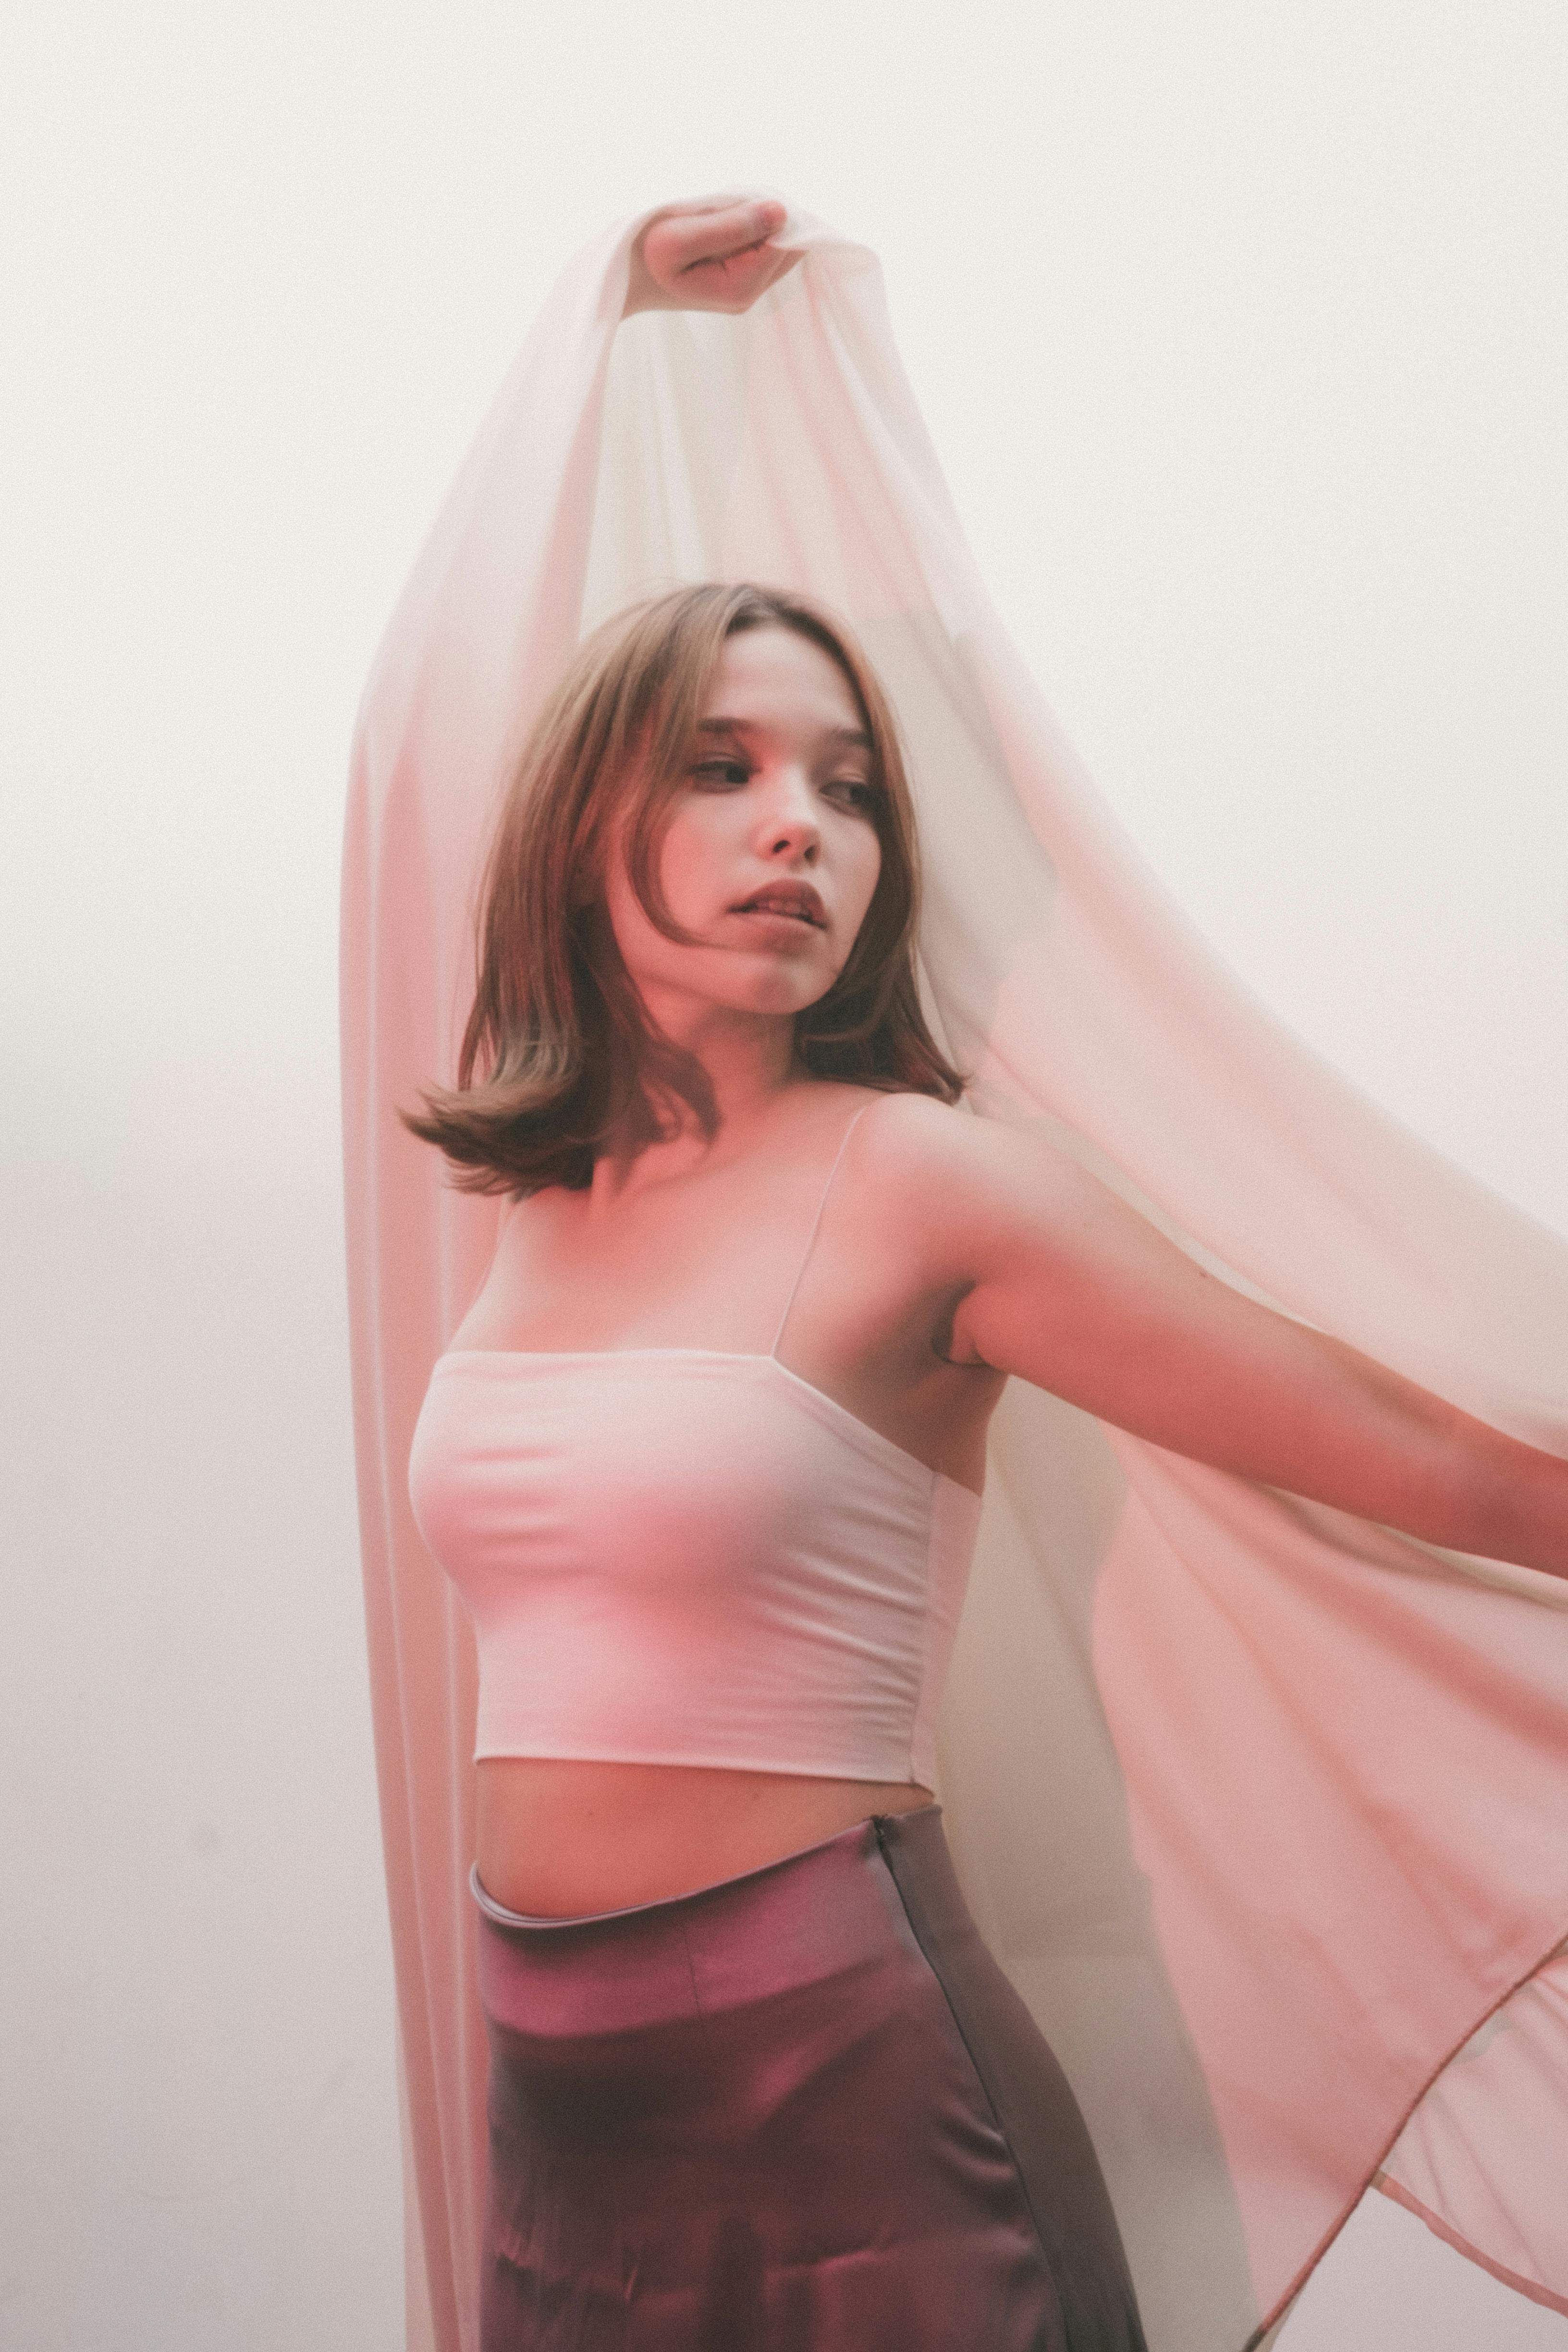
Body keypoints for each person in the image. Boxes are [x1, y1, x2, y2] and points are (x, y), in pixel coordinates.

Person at [355, 199, 1568, 2351]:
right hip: (559, 2100)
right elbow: (417, 718)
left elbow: (1398, 1453)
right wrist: (602, 324)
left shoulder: (921, 1183)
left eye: (846, 790)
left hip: (842, 2081)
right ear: (569, 822)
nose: (799, 826)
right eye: (718, 768)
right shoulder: (534, 1200)